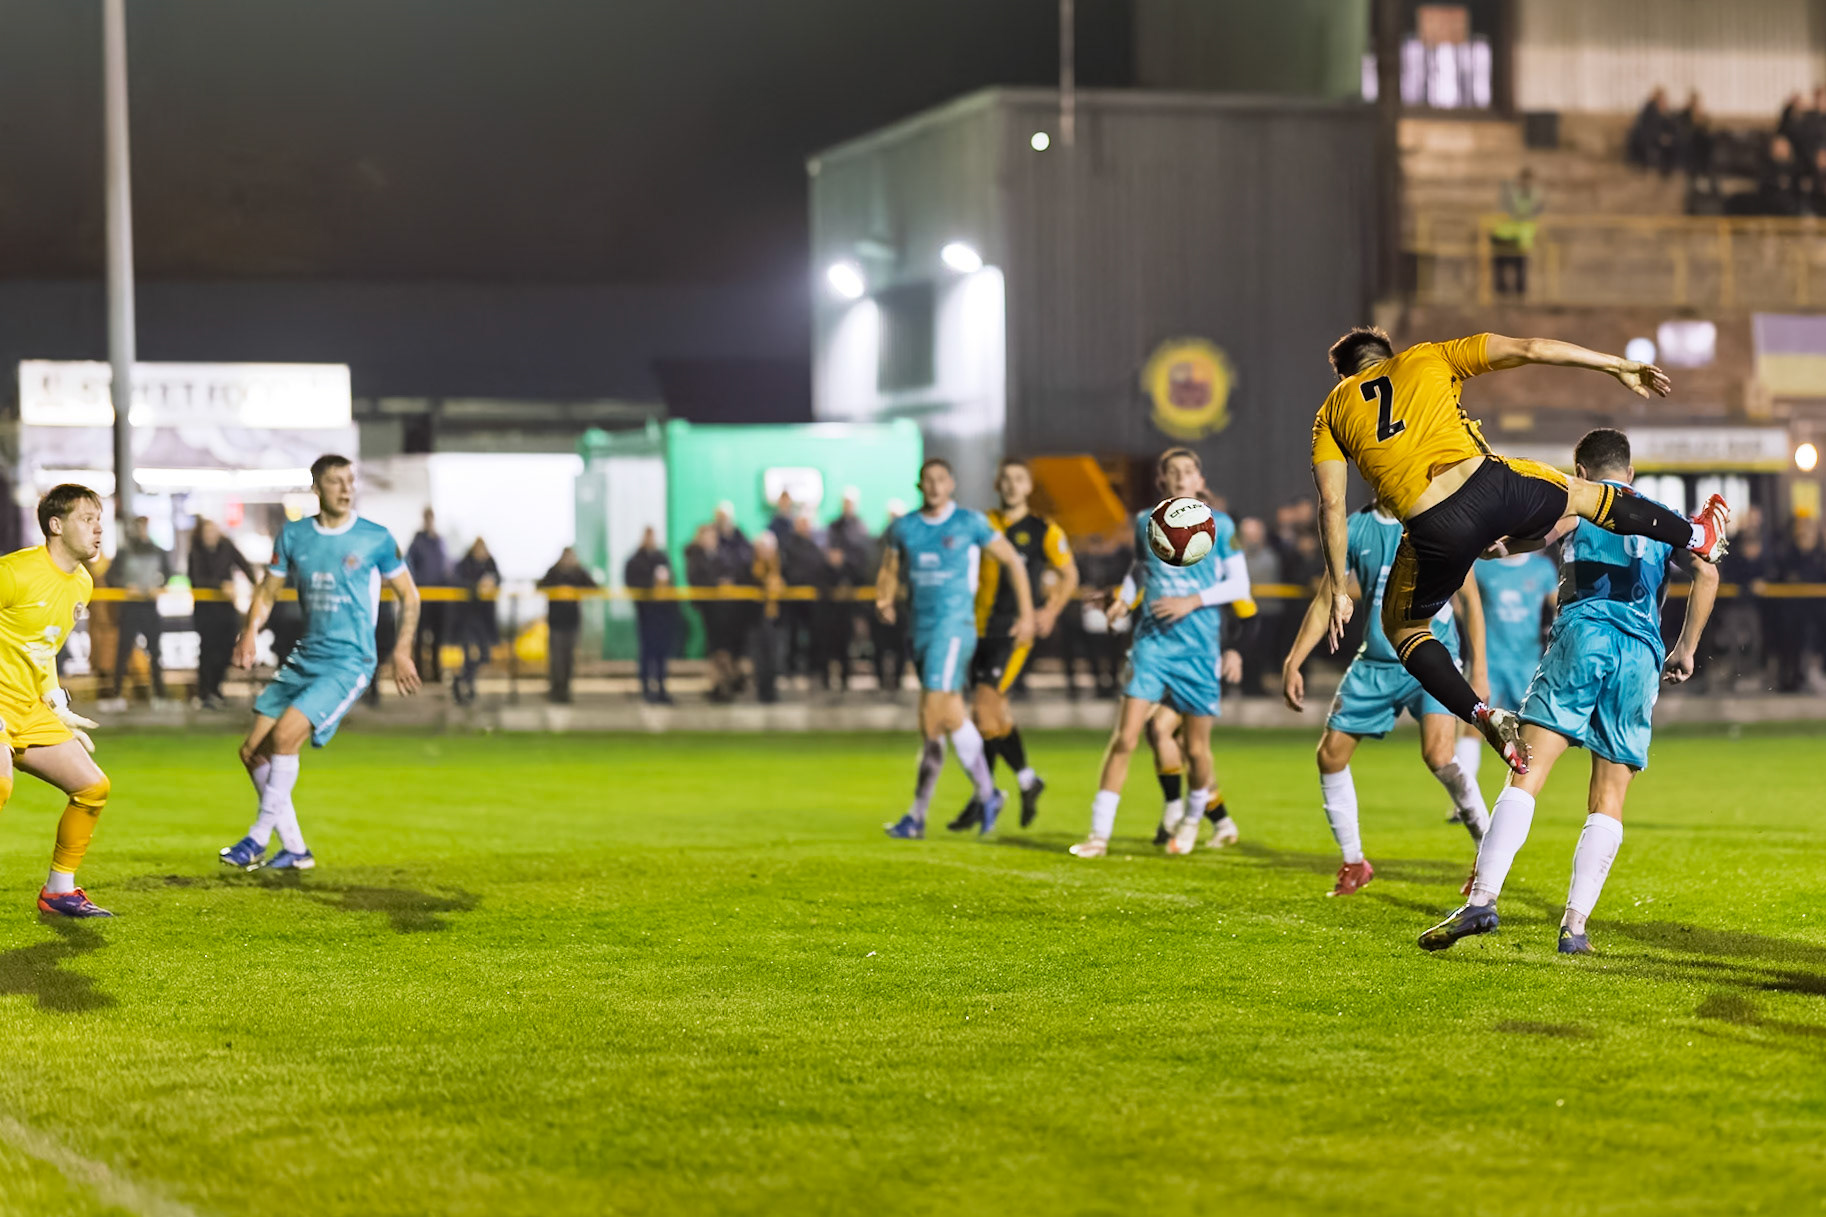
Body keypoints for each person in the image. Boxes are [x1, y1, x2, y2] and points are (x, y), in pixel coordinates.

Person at [1311, 326, 1729, 775]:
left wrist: (1338, 589)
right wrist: (1617, 365)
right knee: (1583, 495)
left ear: (1344, 376)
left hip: (1434, 529)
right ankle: (1695, 534)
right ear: (1388, 354)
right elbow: (1531, 348)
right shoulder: (1427, 357)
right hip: (1491, 488)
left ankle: (1482, 715)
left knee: (1404, 629)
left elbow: (1331, 504)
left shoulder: (1332, 412)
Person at [1419, 429, 1719, 954]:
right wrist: (1685, 650)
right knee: (1609, 796)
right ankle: (1574, 928)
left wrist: (1498, 544)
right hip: (1640, 655)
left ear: (1580, 472)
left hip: (1584, 636)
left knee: (1527, 770)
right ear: (1630, 472)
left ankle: (1482, 901)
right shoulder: (1663, 517)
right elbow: (1707, 573)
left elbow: (1535, 536)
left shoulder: (1579, 501)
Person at [219, 456, 420, 871]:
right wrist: (250, 630)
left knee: (285, 737)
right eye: (335, 481)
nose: (346, 489)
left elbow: (410, 596)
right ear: (316, 487)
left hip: (349, 661)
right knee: (252, 752)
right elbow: (268, 591)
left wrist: (402, 650)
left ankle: (257, 838)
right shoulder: (294, 535)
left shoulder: (376, 538)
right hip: (305, 657)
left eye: (350, 481)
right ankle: (295, 849)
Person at [1281, 501, 1491, 895]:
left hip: (1432, 656)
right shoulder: (1354, 528)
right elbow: (1327, 598)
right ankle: (1354, 862)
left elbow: (1471, 601)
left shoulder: (1438, 516)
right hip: (1376, 662)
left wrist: (1479, 669)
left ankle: (1488, 853)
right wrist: (1294, 660)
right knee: (1330, 756)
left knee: (1440, 755)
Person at [1071, 448, 1250, 859]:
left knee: (1196, 750)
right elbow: (1140, 570)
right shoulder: (1145, 522)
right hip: (1152, 645)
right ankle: (1098, 835)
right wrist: (1123, 601)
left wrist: (1192, 601)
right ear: (1162, 481)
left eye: (1189, 471)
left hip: (1198, 651)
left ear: (1199, 480)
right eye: (1174, 472)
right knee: (1126, 737)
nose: (1182, 477)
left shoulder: (1221, 525)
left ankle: (1193, 820)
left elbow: (1239, 586)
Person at [877, 458, 1034, 839]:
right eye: (927, 480)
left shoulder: (970, 523)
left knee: (931, 718)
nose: (934, 486)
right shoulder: (904, 527)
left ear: (952, 484)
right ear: (919, 486)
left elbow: (1013, 560)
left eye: (941, 480)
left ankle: (917, 816)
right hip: (921, 629)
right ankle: (989, 794)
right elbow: (889, 567)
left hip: (954, 628)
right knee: (949, 717)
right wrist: (884, 596)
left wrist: (1027, 613)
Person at [0, 485, 114, 915]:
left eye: (99, 519)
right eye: (87, 519)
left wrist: (55, 701)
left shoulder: (82, 584)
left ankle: (58, 892)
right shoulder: (14, 572)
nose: (98, 528)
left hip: (27, 708)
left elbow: (42, 647)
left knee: (92, 787)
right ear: (56, 525)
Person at [947, 458, 1078, 832]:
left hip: (1014, 631)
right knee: (993, 717)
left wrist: (1049, 611)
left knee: (983, 711)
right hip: (976, 628)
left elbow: (1069, 574)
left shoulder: (1043, 530)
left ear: (1029, 486)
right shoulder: (981, 523)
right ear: (996, 484)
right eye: (1005, 479)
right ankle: (1022, 782)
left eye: (1018, 479)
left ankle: (987, 795)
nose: (1011, 485)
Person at [1454, 549, 1558, 782]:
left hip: (1528, 662)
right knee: (1474, 721)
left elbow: (1558, 604)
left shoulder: (1541, 568)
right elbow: (1461, 603)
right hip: (1488, 660)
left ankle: (1522, 788)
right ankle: (1465, 793)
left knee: (1531, 731)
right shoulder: (1481, 566)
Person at [187, 519, 256, 710]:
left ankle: (215, 689)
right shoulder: (196, 552)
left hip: (225, 610)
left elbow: (244, 564)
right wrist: (220, 586)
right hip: (206, 611)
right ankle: (206, 692)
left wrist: (257, 586)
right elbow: (195, 579)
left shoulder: (226, 547)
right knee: (208, 651)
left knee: (226, 649)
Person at [106, 515, 173, 708]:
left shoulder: (157, 551)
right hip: (130, 607)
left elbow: (169, 574)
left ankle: (160, 695)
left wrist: (158, 587)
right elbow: (111, 576)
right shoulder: (124, 551)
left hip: (150, 606)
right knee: (123, 651)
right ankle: (117, 694)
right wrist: (125, 586)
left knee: (155, 652)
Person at [1770, 512, 1826, 692]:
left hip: (1817, 614)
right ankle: (1790, 679)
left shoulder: (1821, 556)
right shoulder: (1787, 555)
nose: (1804, 534)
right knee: (1789, 647)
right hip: (1791, 614)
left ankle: (1814, 675)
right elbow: (1776, 579)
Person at [624, 528, 677, 704]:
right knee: (647, 652)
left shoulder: (661, 558)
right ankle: (646, 688)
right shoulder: (635, 560)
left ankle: (661, 687)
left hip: (663, 615)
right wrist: (650, 586)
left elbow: (672, 580)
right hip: (646, 614)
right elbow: (631, 583)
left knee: (661, 653)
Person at [541, 546, 598, 704]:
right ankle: (555, 690)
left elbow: (594, 587)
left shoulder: (579, 573)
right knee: (556, 659)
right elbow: (541, 586)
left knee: (569, 659)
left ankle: (565, 690)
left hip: (572, 622)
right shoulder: (554, 572)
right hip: (556, 623)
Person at [406, 508, 451, 684]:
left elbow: (446, 566)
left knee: (437, 637)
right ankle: (419, 672)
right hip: (422, 596)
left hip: (438, 597)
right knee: (420, 635)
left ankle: (436, 672)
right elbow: (409, 565)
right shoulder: (417, 542)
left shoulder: (439, 541)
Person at [453, 538, 500, 705]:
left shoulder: (490, 564)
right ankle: (468, 687)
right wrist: (476, 587)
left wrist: (491, 583)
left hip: (485, 619)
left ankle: (462, 679)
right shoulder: (464, 564)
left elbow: (498, 579)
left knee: (484, 655)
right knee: (469, 654)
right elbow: (457, 581)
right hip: (467, 617)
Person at [1492, 167, 1543, 297]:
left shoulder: (1534, 194)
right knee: (1501, 262)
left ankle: (1519, 292)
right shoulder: (1512, 192)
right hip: (1507, 234)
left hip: (1521, 236)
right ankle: (1501, 290)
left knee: (1520, 264)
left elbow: (1532, 212)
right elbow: (1508, 210)